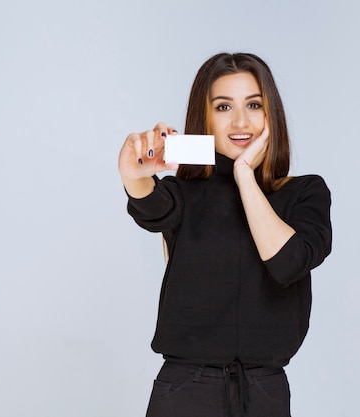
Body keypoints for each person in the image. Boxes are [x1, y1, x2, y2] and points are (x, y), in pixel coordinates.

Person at [118, 52, 332, 417]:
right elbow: (152, 206)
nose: (240, 121)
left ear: (271, 114)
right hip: (186, 389)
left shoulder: (305, 192)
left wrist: (245, 174)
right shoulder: (183, 193)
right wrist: (133, 174)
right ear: (205, 118)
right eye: (222, 107)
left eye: (253, 104)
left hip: (264, 391)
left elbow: (287, 261)